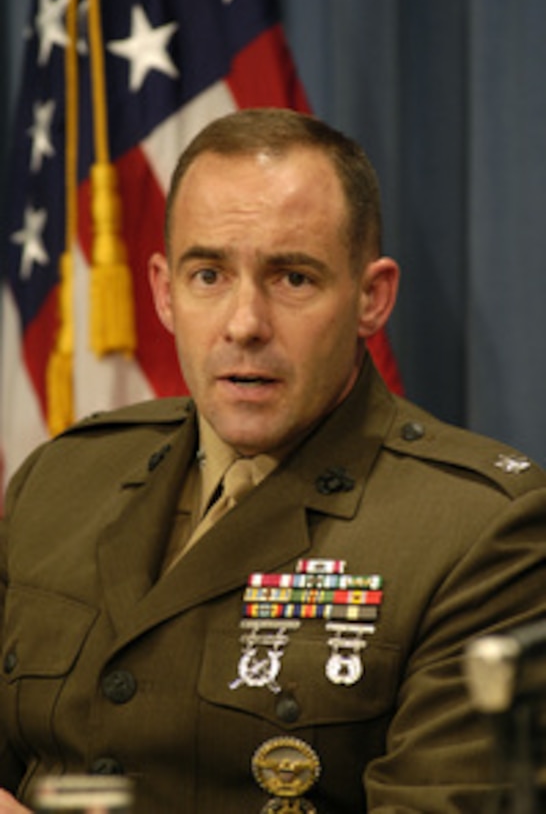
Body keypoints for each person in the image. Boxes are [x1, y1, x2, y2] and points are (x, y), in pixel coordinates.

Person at [1, 108, 546, 814]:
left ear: (371, 298)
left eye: (292, 278)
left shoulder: (480, 532)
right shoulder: (62, 479)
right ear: (164, 292)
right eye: (208, 275)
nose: (244, 323)